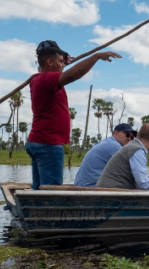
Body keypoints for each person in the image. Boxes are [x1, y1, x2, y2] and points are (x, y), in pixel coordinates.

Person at [26, 40, 121, 190]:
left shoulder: (38, 79)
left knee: (39, 189)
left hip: (39, 141)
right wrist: (96, 57)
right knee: (51, 192)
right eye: (60, 62)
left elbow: (60, 71)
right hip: (48, 144)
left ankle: (34, 205)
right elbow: (72, 75)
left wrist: (62, 62)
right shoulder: (47, 79)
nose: (63, 65)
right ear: (49, 62)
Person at [96, 123, 149, 192]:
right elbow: (143, 183)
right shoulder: (137, 151)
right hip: (110, 194)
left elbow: (141, 181)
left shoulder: (133, 147)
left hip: (110, 191)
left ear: (138, 135)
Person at [73, 123, 136, 187]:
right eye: (127, 135)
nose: (129, 139)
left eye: (132, 137)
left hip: (82, 185)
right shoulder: (114, 146)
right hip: (91, 187)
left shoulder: (106, 142)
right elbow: (132, 171)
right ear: (116, 133)